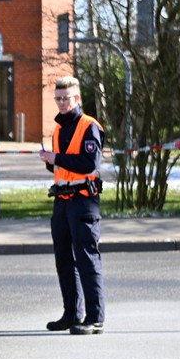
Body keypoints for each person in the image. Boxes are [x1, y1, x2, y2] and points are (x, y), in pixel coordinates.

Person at [39, 75, 106, 335]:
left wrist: (56, 157)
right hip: (62, 200)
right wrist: (49, 160)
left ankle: (95, 318)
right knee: (64, 259)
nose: (62, 103)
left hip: (84, 201)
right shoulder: (58, 128)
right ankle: (72, 314)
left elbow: (89, 163)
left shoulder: (89, 126)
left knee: (87, 259)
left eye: (66, 98)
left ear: (77, 98)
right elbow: (62, 164)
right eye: (58, 99)